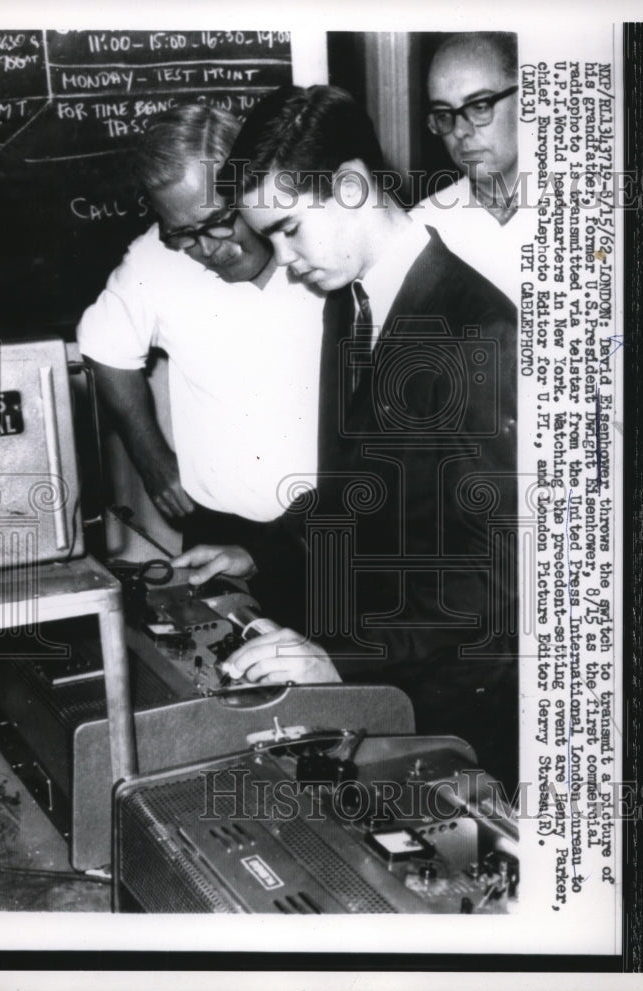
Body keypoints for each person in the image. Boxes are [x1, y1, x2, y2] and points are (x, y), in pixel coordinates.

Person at [174, 85, 519, 789]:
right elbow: (357, 490)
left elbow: (497, 578)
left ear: (355, 187)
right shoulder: (349, 304)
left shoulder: (477, 330)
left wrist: (342, 662)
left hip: (456, 708)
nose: (278, 254)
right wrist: (259, 549)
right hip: (379, 675)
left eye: (289, 227)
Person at [77, 104, 325, 626]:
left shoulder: (322, 245)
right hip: (220, 534)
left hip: (329, 532)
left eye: (218, 221)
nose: (208, 249)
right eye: (183, 235)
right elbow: (102, 346)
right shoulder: (153, 261)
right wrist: (151, 459)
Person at [412, 32, 528, 305]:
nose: (461, 131)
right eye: (444, 114)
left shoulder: (588, 213)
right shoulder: (424, 226)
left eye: (479, 106)